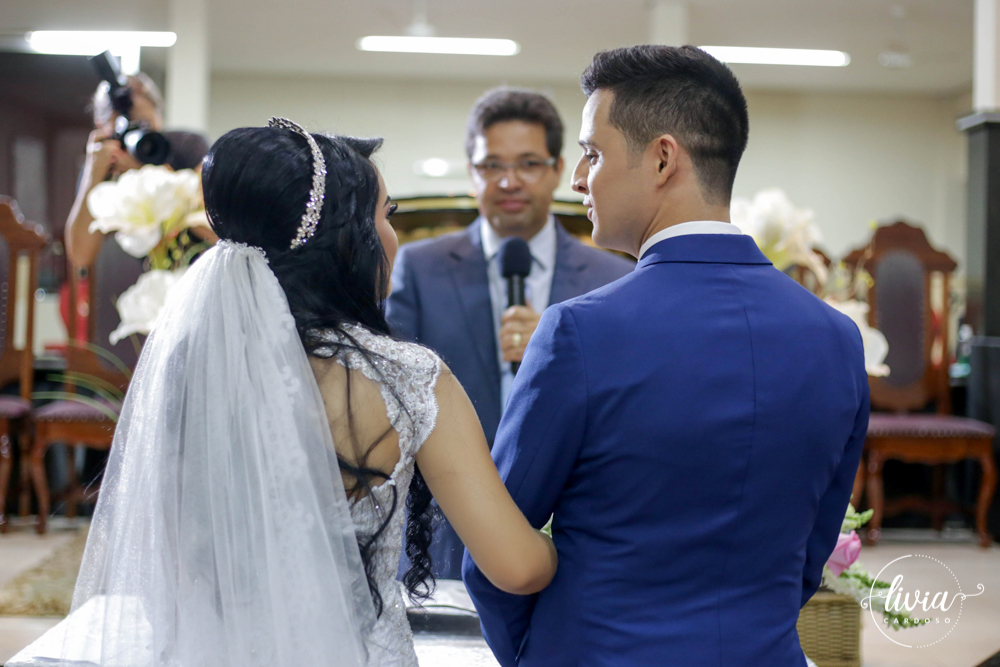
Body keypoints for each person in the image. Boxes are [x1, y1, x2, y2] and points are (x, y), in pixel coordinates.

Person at [8, 119, 556, 667]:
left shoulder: (191, 369)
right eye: (386, 215)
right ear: (350, 238)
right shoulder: (409, 378)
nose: (393, 234)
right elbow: (517, 567)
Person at [463, 45, 869, 666]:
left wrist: (538, 653)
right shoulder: (837, 339)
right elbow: (809, 557)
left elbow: (498, 553)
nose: (578, 179)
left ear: (661, 158)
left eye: (594, 154)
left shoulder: (579, 332)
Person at [387, 87, 632, 579]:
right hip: (444, 532)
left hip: (574, 530)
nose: (508, 180)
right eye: (491, 165)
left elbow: (628, 402)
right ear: (471, 170)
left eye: (528, 164)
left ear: (558, 170)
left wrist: (558, 349)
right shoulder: (420, 267)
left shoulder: (614, 276)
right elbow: (393, 397)